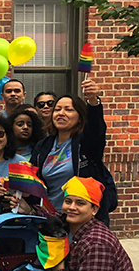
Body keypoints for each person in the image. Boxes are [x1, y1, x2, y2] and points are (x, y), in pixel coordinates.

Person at [30, 80, 114, 223]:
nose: (61, 113)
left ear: (80, 117)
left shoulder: (86, 143)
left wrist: (93, 101)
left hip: (81, 221)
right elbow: (33, 181)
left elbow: (96, 129)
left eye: (68, 110)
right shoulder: (43, 146)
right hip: (51, 221)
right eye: (57, 110)